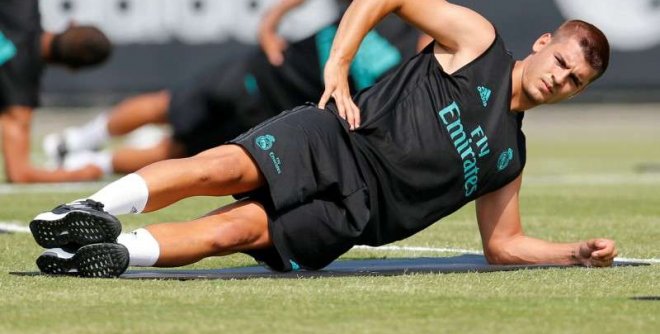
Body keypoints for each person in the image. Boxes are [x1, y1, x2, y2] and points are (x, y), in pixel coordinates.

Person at [29, 0, 617, 278]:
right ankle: (91, 209)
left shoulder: (510, 156)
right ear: (543, 43)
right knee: (219, 169)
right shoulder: (482, 45)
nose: (558, 79)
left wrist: (573, 253)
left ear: (578, 90)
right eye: (560, 61)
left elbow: (503, 245)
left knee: (232, 232)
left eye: (574, 80)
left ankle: (102, 255)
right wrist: (339, 65)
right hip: (337, 138)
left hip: (355, 215)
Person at [42, 0, 426, 176]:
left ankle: (88, 164)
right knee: (167, 104)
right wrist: (271, 21)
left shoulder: (413, 70)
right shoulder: (384, 9)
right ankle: (76, 140)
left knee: (176, 151)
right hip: (256, 73)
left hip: (272, 112)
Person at [0, 0, 112, 183]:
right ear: (73, 69)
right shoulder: (20, 98)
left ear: (70, 24)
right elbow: (18, 173)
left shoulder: (21, 5)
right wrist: (82, 173)